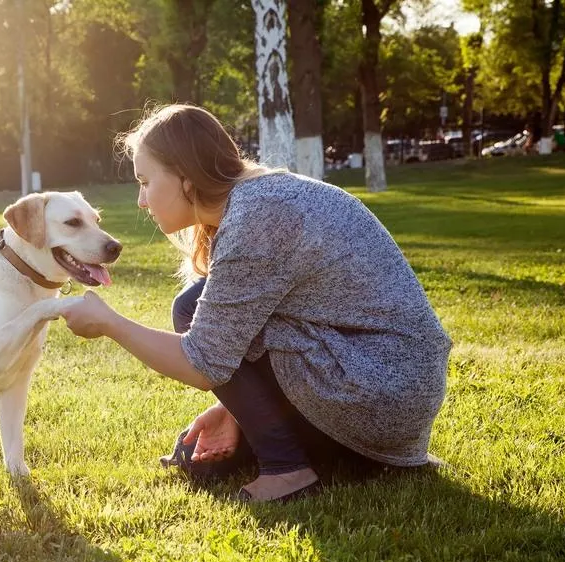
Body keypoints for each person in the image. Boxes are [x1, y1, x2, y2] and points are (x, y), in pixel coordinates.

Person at [59, 104, 452, 502]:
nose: (142, 201)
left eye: (145, 181)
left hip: (381, 391)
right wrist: (239, 413)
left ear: (186, 176)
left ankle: (287, 470)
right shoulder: (258, 200)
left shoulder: (258, 217)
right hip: (381, 382)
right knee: (198, 440)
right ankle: (292, 450)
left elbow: (204, 361)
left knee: (190, 309)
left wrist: (110, 324)